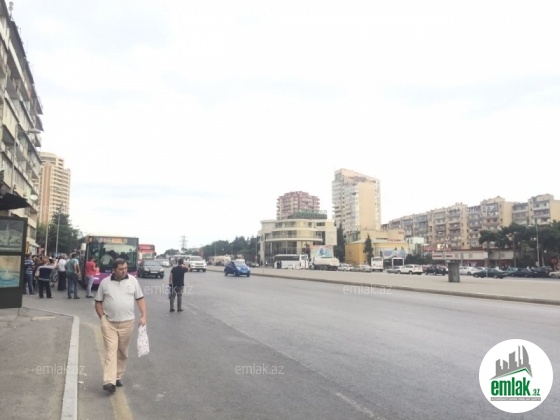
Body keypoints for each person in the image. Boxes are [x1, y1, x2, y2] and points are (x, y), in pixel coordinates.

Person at [95, 258, 146, 394]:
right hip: (109, 323)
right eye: (121, 269)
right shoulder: (105, 283)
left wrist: (143, 316)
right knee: (110, 351)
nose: (124, 271)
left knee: (122, 351)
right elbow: (98, 302)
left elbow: (140, 299)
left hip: (127, 323)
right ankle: (109, 382)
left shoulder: (133, 281)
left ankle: (117, 376)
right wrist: (102, 318)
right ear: (114, 270)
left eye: (125, 268)